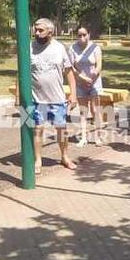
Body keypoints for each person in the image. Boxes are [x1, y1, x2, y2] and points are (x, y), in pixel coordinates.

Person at [30, 18, 78, 173]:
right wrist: (18, 95)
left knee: (61, 129)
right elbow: (22, 72)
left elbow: (69, 71)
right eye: (35, 29)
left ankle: (65, 157)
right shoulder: (29, 47)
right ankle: (38, 160)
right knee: (38, 129)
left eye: (40, 30)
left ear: (50, 31)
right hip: (37, 99)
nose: (37, 33)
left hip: (57, 98)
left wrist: (73, 94)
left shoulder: (59, 48)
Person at [69, 27, 103, 147]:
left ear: (89, 34)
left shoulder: (95, 48)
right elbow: (72, 67)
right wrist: (83, 78)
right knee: (83, 111)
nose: (82, 38)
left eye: (84, 35)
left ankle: (98, 137)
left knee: (95, 110)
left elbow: (99, 66)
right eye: (79, 35)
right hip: (80, 83)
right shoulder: (73, 48)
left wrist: (92, 77)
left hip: (94, 82)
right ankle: (83, 138)